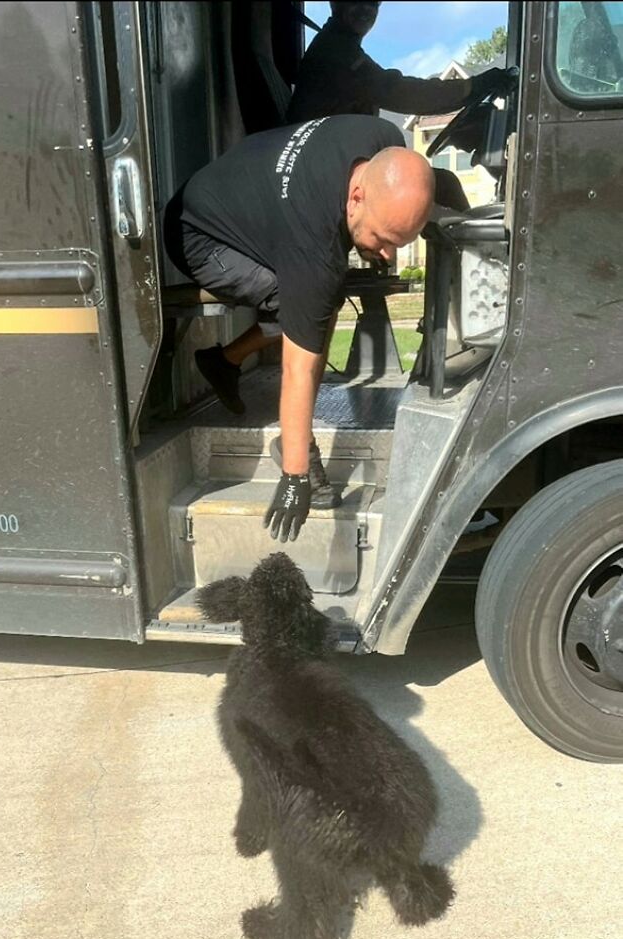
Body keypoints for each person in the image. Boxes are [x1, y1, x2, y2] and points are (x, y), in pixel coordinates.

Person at [164, 115, 434, 542]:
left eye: (399, 244)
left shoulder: (384, 140)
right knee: (301, 303)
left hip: (236, 194)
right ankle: (297, 445)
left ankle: (224, 361)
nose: (385, 254)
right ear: (357, 196)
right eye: (384, 238)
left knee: (311, 302)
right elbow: (299, 369)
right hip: (197, 233)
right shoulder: (316, 249)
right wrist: (293, 477)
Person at [287, 1, 510, 211]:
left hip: (329, 169)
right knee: (445, 187)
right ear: (335, 3)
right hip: (324, 179)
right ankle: (475, 252)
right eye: (356, 0)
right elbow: (403, 93)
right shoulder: (336, 53)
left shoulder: (339, 46)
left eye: (373, 2)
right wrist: (476, 86)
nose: (366, 8)